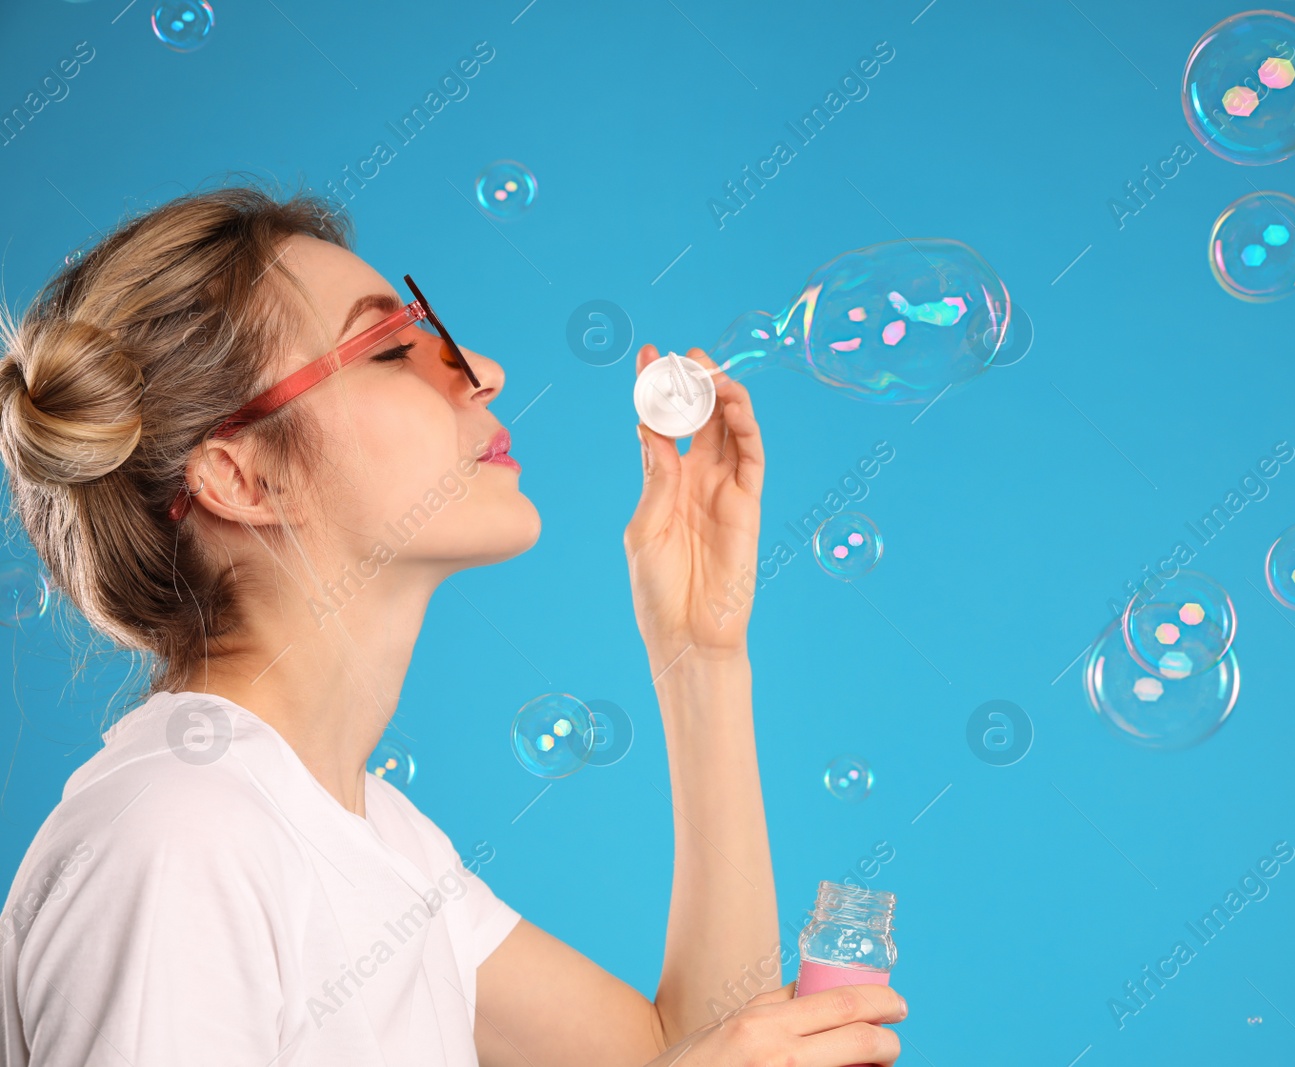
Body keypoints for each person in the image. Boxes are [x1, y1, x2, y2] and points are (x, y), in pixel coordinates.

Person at [0, 184, 905, 1066]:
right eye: (392, 349)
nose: (483, 370)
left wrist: (699, 653)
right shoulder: (181, 838)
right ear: (243, 479)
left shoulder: (373, 839)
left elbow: (686, 1047)